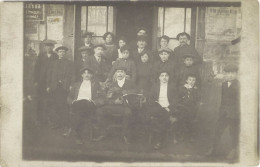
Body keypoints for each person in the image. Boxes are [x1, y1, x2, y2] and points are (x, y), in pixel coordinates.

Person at [207, 64, 240, 160]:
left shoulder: (239, 85)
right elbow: (222, 99)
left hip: (234, 114)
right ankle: (213, 149)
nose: (230, 75)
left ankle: (234, 150)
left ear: (236, 74)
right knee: (217, 131)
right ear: (225, 74)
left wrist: (237, 113)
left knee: (233, 132)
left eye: (232, 73)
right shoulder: (224, 84)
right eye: (228, 73)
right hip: (223, 113)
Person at [94, 67, 135, 144]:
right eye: (118, 72)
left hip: (124, 106)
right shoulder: (111, 84)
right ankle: (102, 133)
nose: (120, 73)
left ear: (125, 74)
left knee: (128, 113)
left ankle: (125, 135)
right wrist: (114, 101)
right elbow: (105, 97)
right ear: (115, 74)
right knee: (99, 111)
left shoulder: (130, 83)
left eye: (122, 72)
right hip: (112, 105)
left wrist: (124, 97)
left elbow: (134, 95)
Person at [67, 67, 104, 145]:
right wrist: (72, 101)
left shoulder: (96, 85)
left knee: (80, 113)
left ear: (91, 75)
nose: (86, 75)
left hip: (89, 103)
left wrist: (95, 102)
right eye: (84, 73)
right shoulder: (76, 84)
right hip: (77, 103)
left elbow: (102, 97)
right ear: (81, 75)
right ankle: (83, 136)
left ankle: (79, 136)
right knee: (80, 110)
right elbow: (69, 97)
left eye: (88, 73)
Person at [145, 71, 177, 149]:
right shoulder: (155, 86)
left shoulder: (172, 86)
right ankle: (160, 140)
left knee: (163, 117)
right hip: (157, 107)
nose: (164, 77)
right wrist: (157, 104)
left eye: (166, 75)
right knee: (163, 115)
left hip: (168, 107)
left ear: (168, 77)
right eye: (162, 75)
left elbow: (175, 100)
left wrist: (169, 108)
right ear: (159, 78)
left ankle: (159, 141)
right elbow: (151, 99)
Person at [46, 45, 75, 129]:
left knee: (64, 105)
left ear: (65, 53)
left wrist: (71, 85)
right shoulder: (53, 63)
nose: (61, 53)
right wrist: (48, 85)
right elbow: (49, 75)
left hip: (65, 87)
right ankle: (56, 123)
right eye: (60, 52)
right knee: (55, 105)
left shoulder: (70, 63)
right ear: (57, 53)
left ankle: (65, 124)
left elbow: (73, 75)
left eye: (63, 52)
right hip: (55, 87)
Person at [34, 39, 58, 125]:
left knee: (50, 101)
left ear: (53, 47)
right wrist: (36, 81)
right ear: (45, 47)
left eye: (51, 46)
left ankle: (49, 119)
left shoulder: (55, 56)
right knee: (40, 101)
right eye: (47, 46)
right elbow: (36, 69)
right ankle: (39, 119)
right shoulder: (41, 56)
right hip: (41, 82)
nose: (49, 48)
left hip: (51, 82)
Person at [175, 74, 201, 142]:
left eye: (193, 80)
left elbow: (198, 99)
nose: (191, 81)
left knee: (191, 121)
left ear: (195, 81)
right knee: (182, 120)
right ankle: (181, 135)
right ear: (186, 80)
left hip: (192, 108)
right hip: (182, 107)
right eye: (190, 80)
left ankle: (190, 136)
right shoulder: (182, 88)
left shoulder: (196, 89)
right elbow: (178, 98)